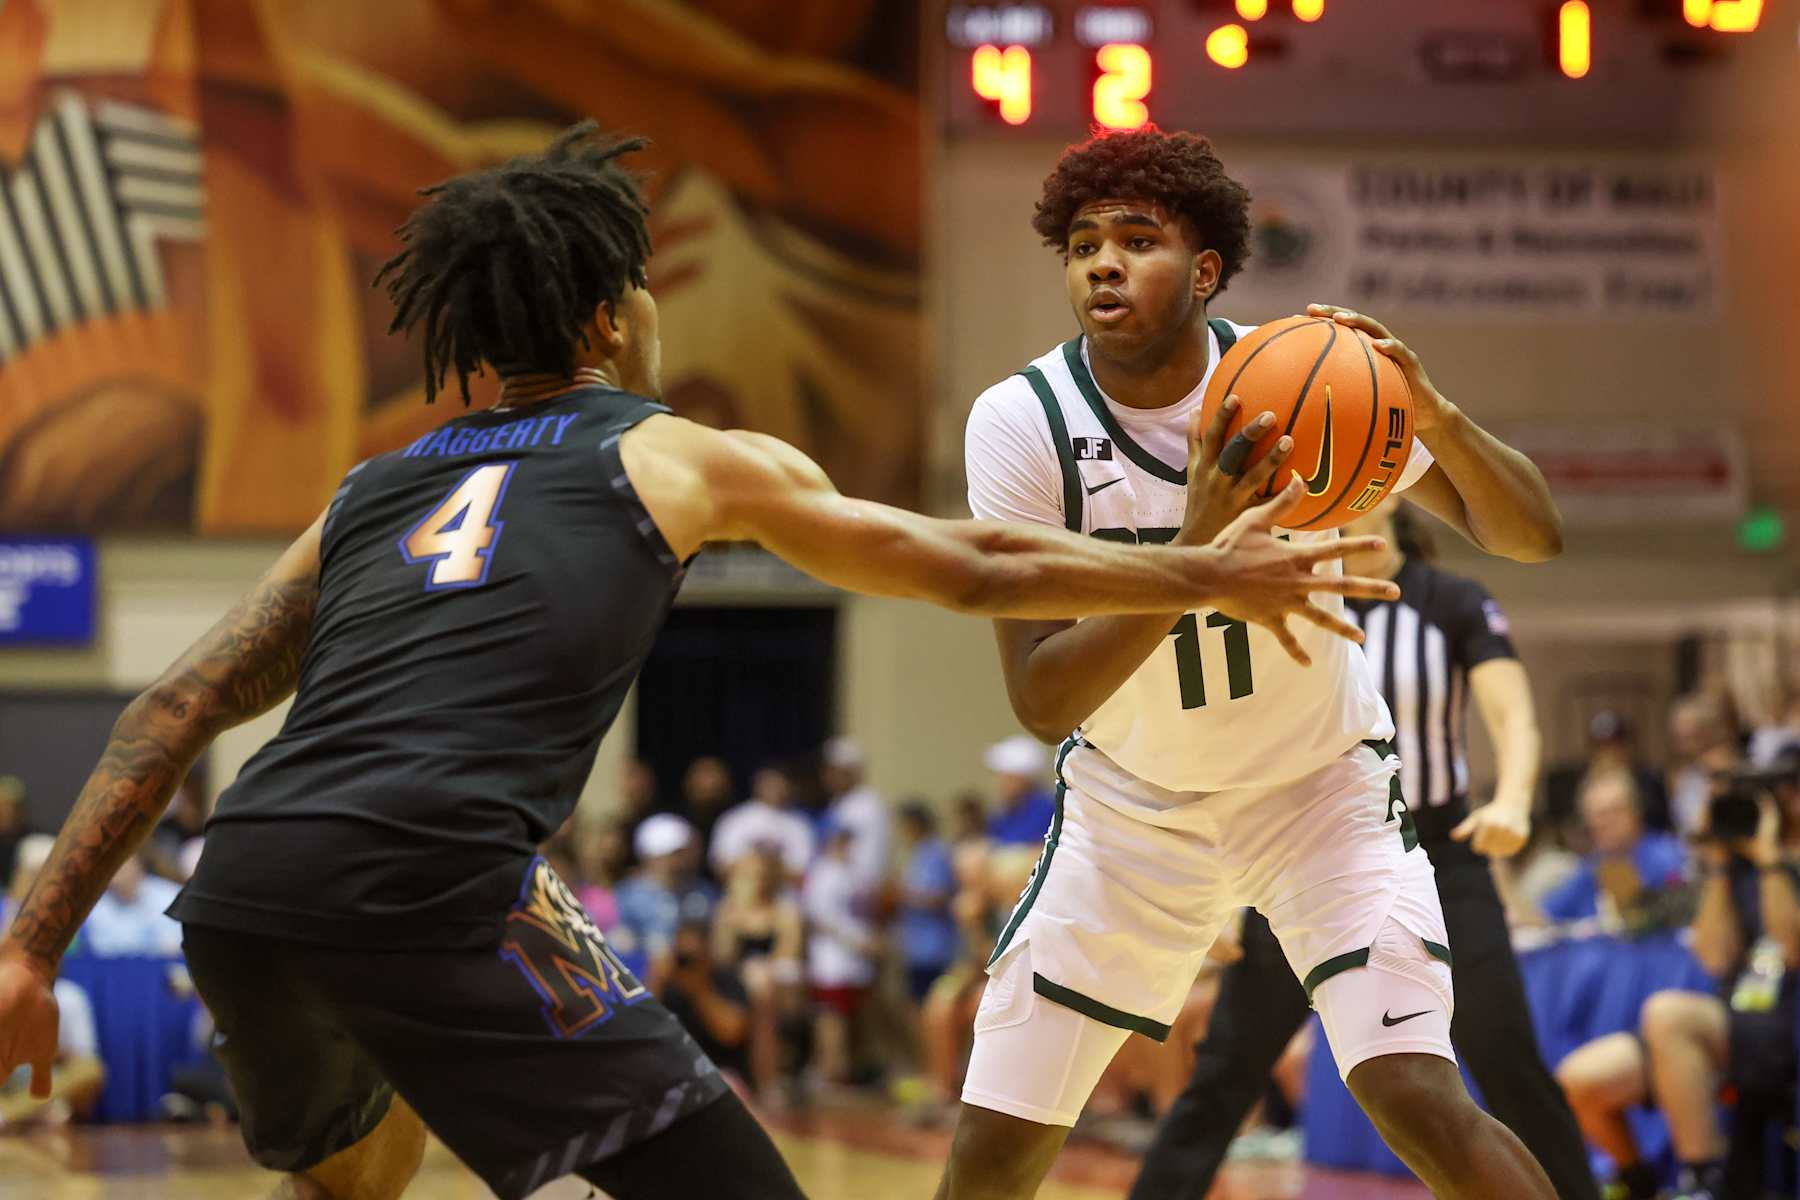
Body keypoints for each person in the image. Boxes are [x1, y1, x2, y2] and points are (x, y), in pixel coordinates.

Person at [0, 124, 1388, 1200]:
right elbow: (976, 568)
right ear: (611, 318)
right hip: (440, 870)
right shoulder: (669, 449)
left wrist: (26, 950)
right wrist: (1198, 567)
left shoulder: (372, 489)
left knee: (354, 1179)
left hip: (249, 886)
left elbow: (176, 701)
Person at [947, 126, 1565, 1200]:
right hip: (1133, 812)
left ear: (1205, 270)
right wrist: (1195, 558)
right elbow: (1042, 697)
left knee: (1419, 1094)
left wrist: (1440, 416)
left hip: (1316, 791)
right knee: (995, 1153)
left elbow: (1529, 535)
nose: (1102, 261)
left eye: (1136, 239)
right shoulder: (1023, 422)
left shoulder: (1295, 382)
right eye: (1083, 242)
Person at [1130, 501, 1598, 1200]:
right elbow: (1239, 739)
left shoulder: (1451, 601)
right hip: (1306, 855)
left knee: (1504, 1059)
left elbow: (1514, 713)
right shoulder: (1289, 599)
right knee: (1227, 1068)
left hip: (1442, 853)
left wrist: (1513, 798)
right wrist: (1225, 884)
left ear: (1393, 499)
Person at [1557, 752, 1800, 1200]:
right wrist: (1722, 866)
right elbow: (1712, 955)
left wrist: (1770, 861)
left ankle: (1701, 1182)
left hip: (1786, 1020)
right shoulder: (1737, 865)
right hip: (1736, 1019)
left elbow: (1790, 949)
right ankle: (1640, 1184)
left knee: (1668, 1014)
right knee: (1582, 1079)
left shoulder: (1782, 863)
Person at [1539, 771, 1687, 925]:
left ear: (1635, 811)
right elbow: (1542, 917)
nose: (1602, 823)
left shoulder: (1667, 857)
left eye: (1613, 812)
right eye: (1595, 815)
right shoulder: (1591, 867)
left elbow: (1679, 916)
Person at [802, 822, 877, 1086]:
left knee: (850, 1017)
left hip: (855, 960)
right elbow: (818, 917)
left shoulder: (853, 873)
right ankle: (828, 1070)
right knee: (830, 1016)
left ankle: (844, 1069)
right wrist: (853, 940)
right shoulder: (824, 874)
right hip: (831, 959)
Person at [614, 814, 718, 975]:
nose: (679, 861)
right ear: (650, 856)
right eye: (673, 854)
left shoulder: (703, 892)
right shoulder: (628, 895)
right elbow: (619, 941)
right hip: (641, 975)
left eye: (683, 853)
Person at [654, 919, 752, 1086]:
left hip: (722, 1075)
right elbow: (644, 1029)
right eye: (682, 957)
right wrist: (656, 981)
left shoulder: (725, 978)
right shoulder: (669, 984)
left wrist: (700, 991)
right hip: (677, 1076)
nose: (687, 964)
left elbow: (731, 1033)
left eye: (693, 957)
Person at [894, 802, 961, 1004]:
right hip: (914, 947)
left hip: (934, 948)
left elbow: (939, 896)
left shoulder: (936, 853)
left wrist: (904, 895)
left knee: (933, 1005)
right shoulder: (915, 854)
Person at [710, 766, 816, 885]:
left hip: (786, 899)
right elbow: (722, 867)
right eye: (770, 784)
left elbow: (802, 873)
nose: (776, 789)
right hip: (743, 896)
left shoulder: (800, 823)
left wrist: (759, 869)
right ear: (757, 785)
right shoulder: (734, 819)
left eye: (780, 783)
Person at [81, 852, 183, 958]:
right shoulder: (96, 908)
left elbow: (177, 945)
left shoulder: (170, 895)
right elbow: (101, 950)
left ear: (139, 867)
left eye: (122, 869)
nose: (116, 877)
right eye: (111, 870)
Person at [822, 737, 889, 895]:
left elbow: (870, 861)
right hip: (839, 889)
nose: (829, 776)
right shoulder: (839, 802)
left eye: (836, 771)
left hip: (857, 892)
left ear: (854, 772)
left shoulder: (868, 804)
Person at [982, 737, 1057, 848]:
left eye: (1005, 776)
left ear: (1021, 778)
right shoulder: (1004, 813)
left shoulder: (1049, 810)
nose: (998, 782)